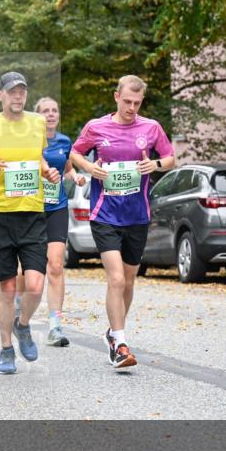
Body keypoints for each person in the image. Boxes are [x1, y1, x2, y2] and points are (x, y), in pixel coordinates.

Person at [70, 75, 176, 368]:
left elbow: (170, 158)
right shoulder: (96, 127)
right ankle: (120, 343)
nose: (131, 108)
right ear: (116, 97)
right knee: (116, 278)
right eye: (127, 101)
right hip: (104, 213)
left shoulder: (151, 128)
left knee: (128, 280)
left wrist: (154, 164)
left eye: (137, 103)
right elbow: (76, 152)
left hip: (137, 215)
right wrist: (89, 167)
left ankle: (113, 333)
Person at [0, 71, 60, 375]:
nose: (18, 96)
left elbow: (39, 159)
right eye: (12, 91)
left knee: (34, 285)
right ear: (1, 95)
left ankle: (23, 325)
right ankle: (6, 348)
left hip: (32, 213)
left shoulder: (37, 122)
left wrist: (47, 171)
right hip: (0, 214)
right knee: (8, 288)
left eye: (22, 91)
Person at [14, 97, 85, 346]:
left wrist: (75, 177)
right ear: (37, 116)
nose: (51, 114)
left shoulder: (64, 141)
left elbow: (67, 168)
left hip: (57, 208)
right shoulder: (26, 141)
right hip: (31, 211)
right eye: (46, 111)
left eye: (55, 110)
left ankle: (55, 326)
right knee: (27, 269)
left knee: (55, 265)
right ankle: (18, 304)